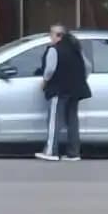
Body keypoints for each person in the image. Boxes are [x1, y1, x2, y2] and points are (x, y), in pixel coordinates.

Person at [36, 25, 91, 162]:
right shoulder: (76, 49)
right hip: (75, 90)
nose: (50, 38)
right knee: (72, 121)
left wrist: (45, 81)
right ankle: (74, 153)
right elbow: (88, 67)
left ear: (58, 35)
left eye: (51, 34)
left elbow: (49, 70)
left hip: (59, 89)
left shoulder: (54, 50)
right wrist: (80, 78)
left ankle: (51, 152)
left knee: (54, 121)